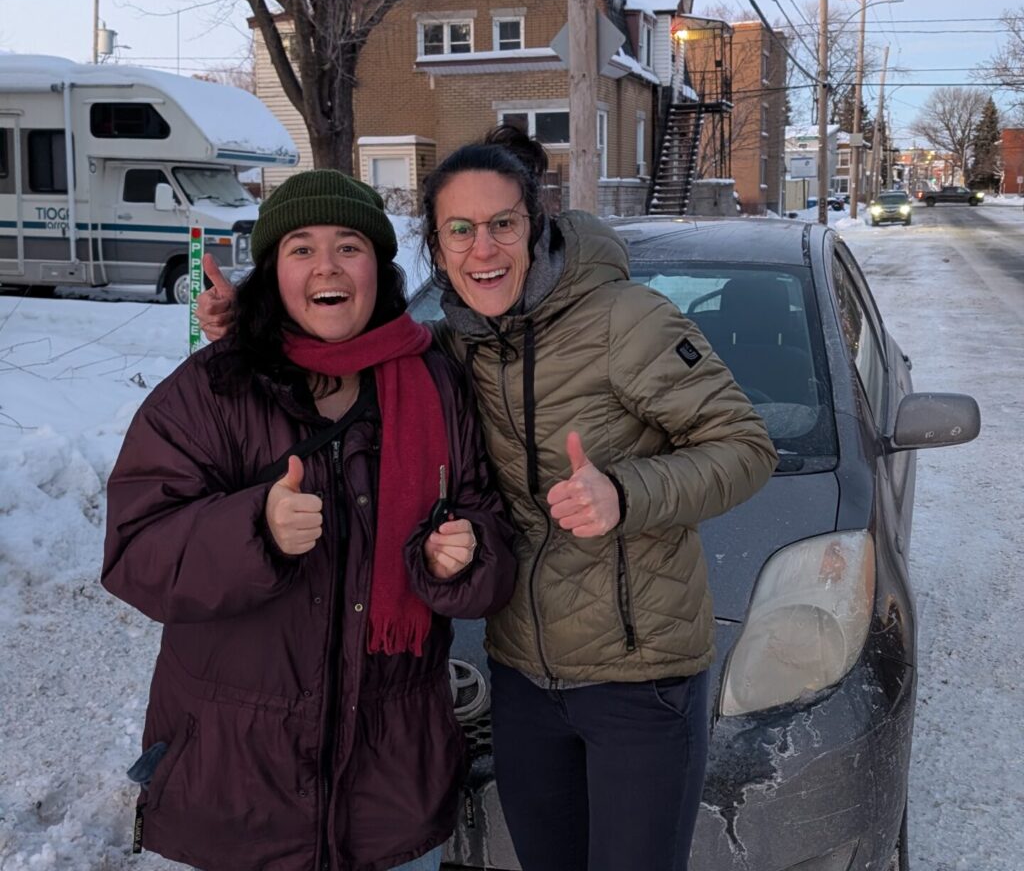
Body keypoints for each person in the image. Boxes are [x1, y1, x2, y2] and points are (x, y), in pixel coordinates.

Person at [198, 129, 777, 871]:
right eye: (460, 231)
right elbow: (341, 352)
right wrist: (246, 330)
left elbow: (746, 447)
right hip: (522, 673)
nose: (484, 250)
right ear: (435, 250)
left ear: (533, 228)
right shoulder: (450, 347)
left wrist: (627, 493)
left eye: (503, 224)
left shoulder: (625, 322)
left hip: (640, 676)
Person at [103, 170, 517, 871]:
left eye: (348, 246)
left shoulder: (436, 385)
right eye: (300, 248)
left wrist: (469, 554)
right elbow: (135, 553)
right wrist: (251, 530)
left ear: (378, 271)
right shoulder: (212, 391)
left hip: (394, 792)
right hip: (237, 795)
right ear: (273, 272)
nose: (326, 265)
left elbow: (490, 532)